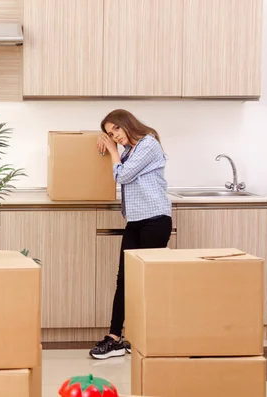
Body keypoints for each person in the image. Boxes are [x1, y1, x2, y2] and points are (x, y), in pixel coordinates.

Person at [90, 109, 173, 360]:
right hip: (136, 221)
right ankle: (115, 337)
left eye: (116, 129)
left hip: (155, 220)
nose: (114, 135)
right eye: (109, 133)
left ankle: (155, 337)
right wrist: (109, 149)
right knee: (124, 280)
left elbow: (123, 175)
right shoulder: (128, 150)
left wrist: (113, 152)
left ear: (127, 123)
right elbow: (121, 167)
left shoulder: (148, 143)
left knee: (148, 281)